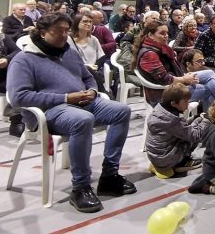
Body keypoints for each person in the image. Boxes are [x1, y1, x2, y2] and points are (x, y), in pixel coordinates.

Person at [7, 13, 136, 213]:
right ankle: (80, 187)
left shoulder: (69, 53)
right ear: (42, 32)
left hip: (82, 102)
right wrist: (66, 98)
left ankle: (109, 175)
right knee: (83, 120)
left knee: (122, 111)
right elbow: (19, 97)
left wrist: (92, 91)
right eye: (58, 31)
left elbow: (88, 77)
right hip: (50, 111)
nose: (64, 35)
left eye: (67, 30)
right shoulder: (23, 59)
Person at [133, 19, 215, 110]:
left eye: (167, 33)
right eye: (162, 33)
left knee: (210, 73)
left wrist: (184, 78)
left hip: (173, 84)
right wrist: (184, 79)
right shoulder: (149, 54)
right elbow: (164, 79)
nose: (166, 36)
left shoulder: (157, 48)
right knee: (210, 89)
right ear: (150, 35)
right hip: (164, 94)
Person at [146, 82, 209, 179]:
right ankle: (181, 163)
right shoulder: (172, 120)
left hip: (156, 156)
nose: (188, 105)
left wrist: (196, 118)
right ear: (174, 103)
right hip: (165, 159)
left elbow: (182, 126)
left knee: (191, 128)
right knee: (196, 134)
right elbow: (195, 135)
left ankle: (168, 163)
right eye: (185, 102)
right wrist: (206, 120)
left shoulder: (160, 110)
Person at [67, 14, 107, 92]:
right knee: (87, 69)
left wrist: (95, 67)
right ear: (76, 23)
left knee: (91, 72)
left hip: (94, 71)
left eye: (90, 22)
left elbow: (101, 57)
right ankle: (105, 93)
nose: (88, 24)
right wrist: (86, 66)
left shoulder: (94, 39)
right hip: (76, 71)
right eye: (85, 21)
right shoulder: (68, 40)